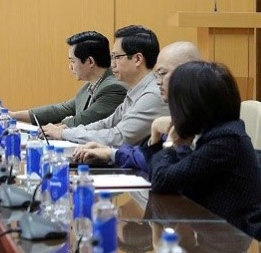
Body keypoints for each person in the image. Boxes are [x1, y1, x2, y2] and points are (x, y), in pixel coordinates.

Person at [148, 61, 261, 239]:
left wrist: (170, 143)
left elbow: (162, 180)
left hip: (231, 239)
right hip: (211, 231)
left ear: (190, 103)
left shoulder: (225, 140)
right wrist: (161, 140)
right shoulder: (214, 132)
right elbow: (161, 174)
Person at [71, 41, 201, 170]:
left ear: (188, 73)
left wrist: (165, 142)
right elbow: (146, 157)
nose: (158, 81)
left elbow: (164, 173)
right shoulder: (179, 111)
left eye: (162, 73)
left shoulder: (205, 125)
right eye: (156, 74)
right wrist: (112, 153)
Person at [43, 25, 166, 147]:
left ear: (137, 59)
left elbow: (119, 137)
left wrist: (64, 134)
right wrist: (67, 132)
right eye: (112, 57)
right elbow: (106, 124)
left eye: (117, 57)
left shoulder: (153, 94)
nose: (112, 64)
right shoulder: (136, 90)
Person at [11, 31, 127, 126]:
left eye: (72, 61)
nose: (70, 66)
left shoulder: (114, 88)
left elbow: (82, 121)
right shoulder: (90, 86)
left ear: (90, 61)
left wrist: (53, 130)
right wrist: (13, 115)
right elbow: (61, 109)